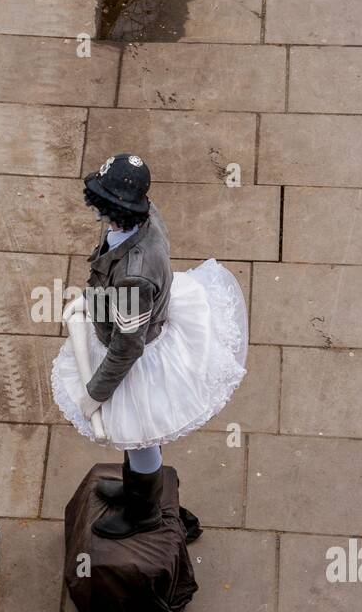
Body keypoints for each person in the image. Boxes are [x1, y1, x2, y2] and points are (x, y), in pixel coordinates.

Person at [52, 153, 248, 538]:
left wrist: (96, 393)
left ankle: (143, 513)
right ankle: (134, 489)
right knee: (138, 438)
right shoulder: (143, 214)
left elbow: (127, 348)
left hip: (141, 359)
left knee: (140, 436)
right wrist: (93, 300)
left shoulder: (133, 279)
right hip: (145, 322)